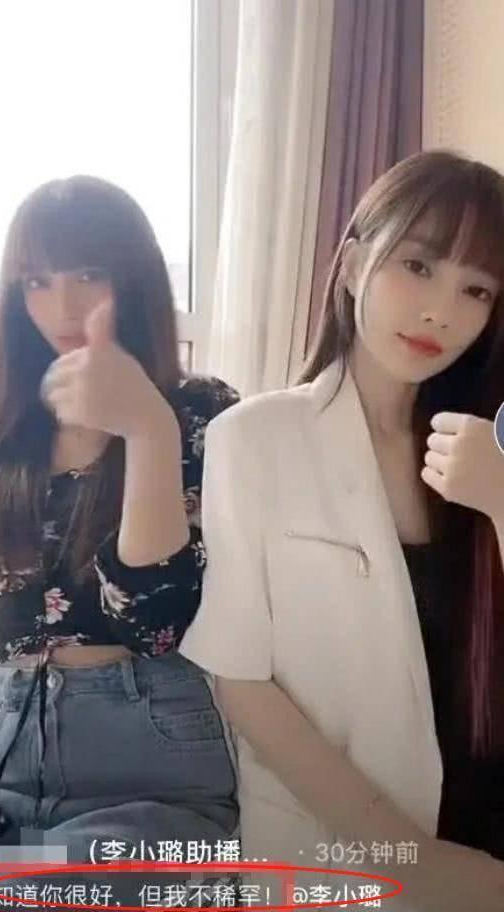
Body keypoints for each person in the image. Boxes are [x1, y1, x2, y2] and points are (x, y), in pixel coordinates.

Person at [180, 150, 504, 911]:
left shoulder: (487, 445)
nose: (440, 311)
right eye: (417, 266)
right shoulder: (254, 438)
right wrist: (414, 862)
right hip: (351, 853)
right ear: (354, 266)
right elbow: (242, 679)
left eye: (476, 289)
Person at [0, 176, 239, 876]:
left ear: (135, 279)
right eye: (37, 282)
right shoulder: (5, 431)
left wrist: (145, 428)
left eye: (89, 274)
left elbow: (158, 627)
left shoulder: (200, 413)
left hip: (142, 768)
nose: (62, 306)